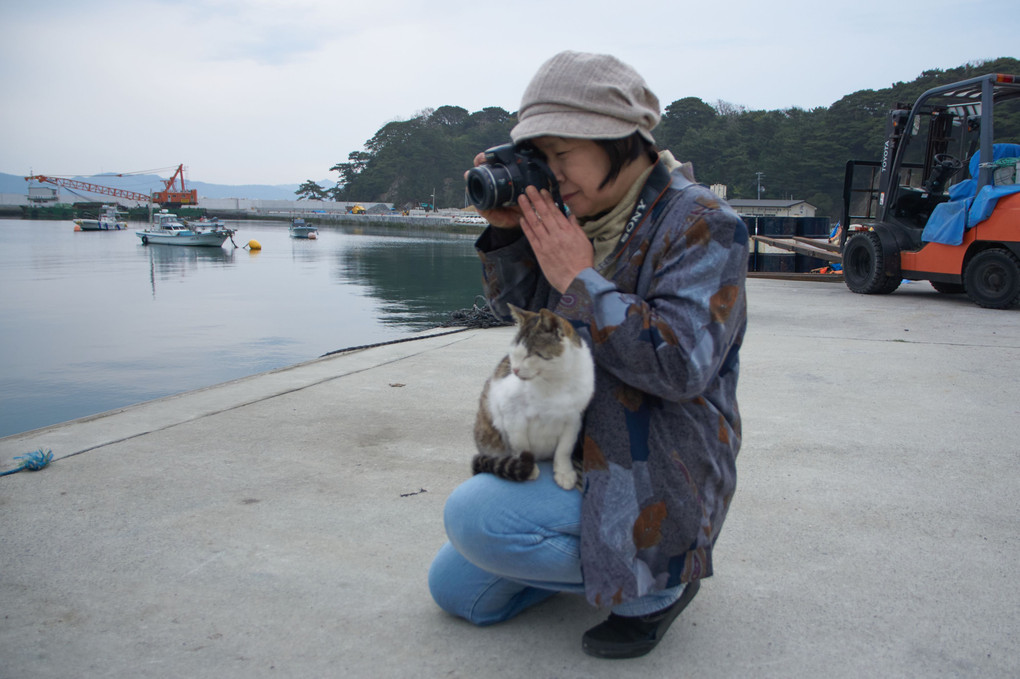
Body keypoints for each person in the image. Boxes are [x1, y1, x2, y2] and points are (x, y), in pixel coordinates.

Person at [428, 51, 748, 659]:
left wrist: (582, 279)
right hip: (577, 444)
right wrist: (507, 233)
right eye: (539, 157)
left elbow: (681, 367)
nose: (553, 174)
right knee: (457, 593)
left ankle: (661, 583)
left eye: (562, 153)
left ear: (620, 140)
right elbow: (526, 319)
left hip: (659, 465)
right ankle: (603, 561)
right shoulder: (577, 213)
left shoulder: (706, 223)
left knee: (478, 516)